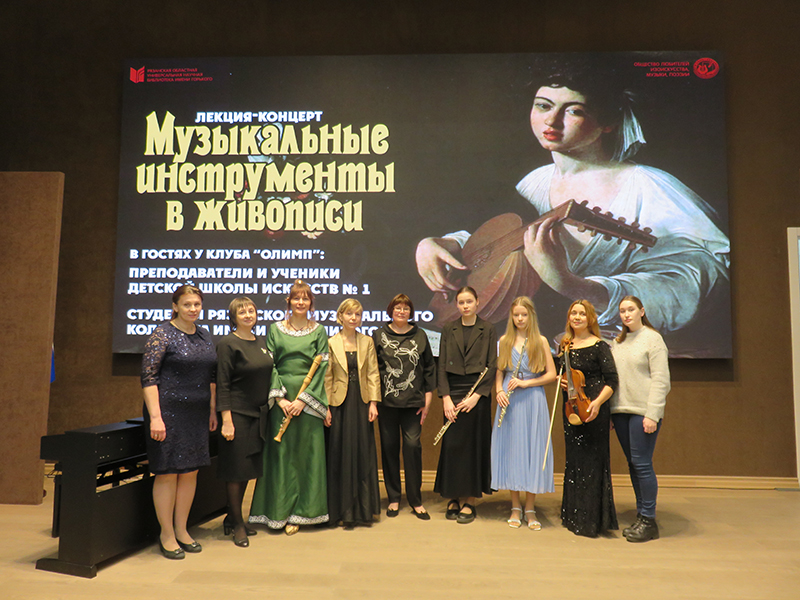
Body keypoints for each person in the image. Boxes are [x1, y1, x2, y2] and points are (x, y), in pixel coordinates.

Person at [415, 60, 730, 352]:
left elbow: (694, 282)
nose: (551, 120)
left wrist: (571, 284)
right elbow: (504, 245)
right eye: (543, 106)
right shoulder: (535, 181)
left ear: (607, 122)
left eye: (574, 111)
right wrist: (445, 244)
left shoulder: (648, 187)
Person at [141, 284, 217, 559]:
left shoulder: (204, 335)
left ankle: (182, 530)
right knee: (168, 472)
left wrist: (212, 410)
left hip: (197, 415)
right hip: (167, 414)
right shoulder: (162, 334)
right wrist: (156, 417)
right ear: (175, 306)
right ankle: (167, 534)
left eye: (197, 304)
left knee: (190, 472)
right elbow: (149, 378)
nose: (193, 309)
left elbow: (211, 376)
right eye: (187, 304)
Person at [248, 280, 329, 535]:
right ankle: (278, 512)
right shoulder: (274, 329)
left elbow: (322, 367)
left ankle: (302, 513)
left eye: (305, 298)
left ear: (311, 303)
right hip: (281, 400)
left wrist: (303, 400)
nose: (300, 302)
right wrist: (281, 399)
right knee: (281, 456)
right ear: (289, 301)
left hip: (308, 402)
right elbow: (269, 365)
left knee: (306, 457)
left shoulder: (319, 331)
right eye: (296, 298)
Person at [490, 296, 557, 530]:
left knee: (532, 450)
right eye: (516, 315)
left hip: (532, 399)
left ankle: (530, 508)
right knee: (513, 451)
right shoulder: (504, 341)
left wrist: (526, 383)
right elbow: (500, 372)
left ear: (531, 316)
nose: (520, 319)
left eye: (524, 315)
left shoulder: (540, 341)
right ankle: (515, 507)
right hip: (509, 400)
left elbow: (551, 375)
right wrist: (499, 390)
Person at [433, 286, 496, 524]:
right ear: (456, 304)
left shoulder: (488, 328)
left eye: (469, 301)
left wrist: (477, 396)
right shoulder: (448, 328)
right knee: (453, 447)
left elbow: (492, 364)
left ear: (477, 302)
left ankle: (470, 500)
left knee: (474, 447)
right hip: (454, 392)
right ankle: (453, 497)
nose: (465, 306)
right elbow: (441, 366)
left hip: (476, 394)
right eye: (461, 302)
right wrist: (446, 398)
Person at [610, 295, 670, 543]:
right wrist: (611, 411)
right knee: (633, 464)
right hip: (621, 411)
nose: (626, 314)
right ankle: (641, 515)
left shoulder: (653, 339)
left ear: (642, 311)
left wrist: (652, 414)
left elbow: (661, 380)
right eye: (622, 310)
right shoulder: (618, 342)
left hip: (643, 412)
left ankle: (649, 520)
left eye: (631, 309)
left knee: (642, 464)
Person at [556, 299, 618, 537]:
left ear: (590, 318)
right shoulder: (565, 345)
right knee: (575, 461)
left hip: (594, 409)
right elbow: (563, 375)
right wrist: (562, 381)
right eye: (574, 313)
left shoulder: (599, 346)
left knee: (593, 462)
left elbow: (612, 381)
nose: (577, 317)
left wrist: (597, 403)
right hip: (571, 408)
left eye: (582, 313)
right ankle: (574, 516)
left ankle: (592, 520)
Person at [215, 296, 273, 547]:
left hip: (258, 415)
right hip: (236, 415)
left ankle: (233, 517)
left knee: (247, 469)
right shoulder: (227, 344)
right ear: (234, 317)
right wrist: (226, 420)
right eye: (242, 312)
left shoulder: (261, 342)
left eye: (251, 310)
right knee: (235, 471)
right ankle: (238, 524)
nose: (248, 315)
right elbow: (223, 384)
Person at [373, 293, 436, 520]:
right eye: (398, 308)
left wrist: (427, 400)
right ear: (391, 310)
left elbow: (429, 368)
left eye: (406, 308)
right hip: (386, 404)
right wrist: (373, 401)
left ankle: (415, 500)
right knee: (389, 449)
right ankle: (393, 498)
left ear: (411, 312)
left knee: (412, 447)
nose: (402, 312)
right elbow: (373, 370)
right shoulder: (378, 335)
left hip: (414, 404)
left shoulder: (420, 335)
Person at [324, 299, 381, 527]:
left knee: (362, 452)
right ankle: (341, 510)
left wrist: (374, 403)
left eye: (357, 314)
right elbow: (327, 376)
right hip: (339, 404)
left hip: (362, 402)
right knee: (339, 452)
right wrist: (326, 407)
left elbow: (373, 373)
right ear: (340, 316)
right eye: (349, 314)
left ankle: (362, 511)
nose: (353, 318)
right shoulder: (331, 342)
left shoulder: (367, 341)